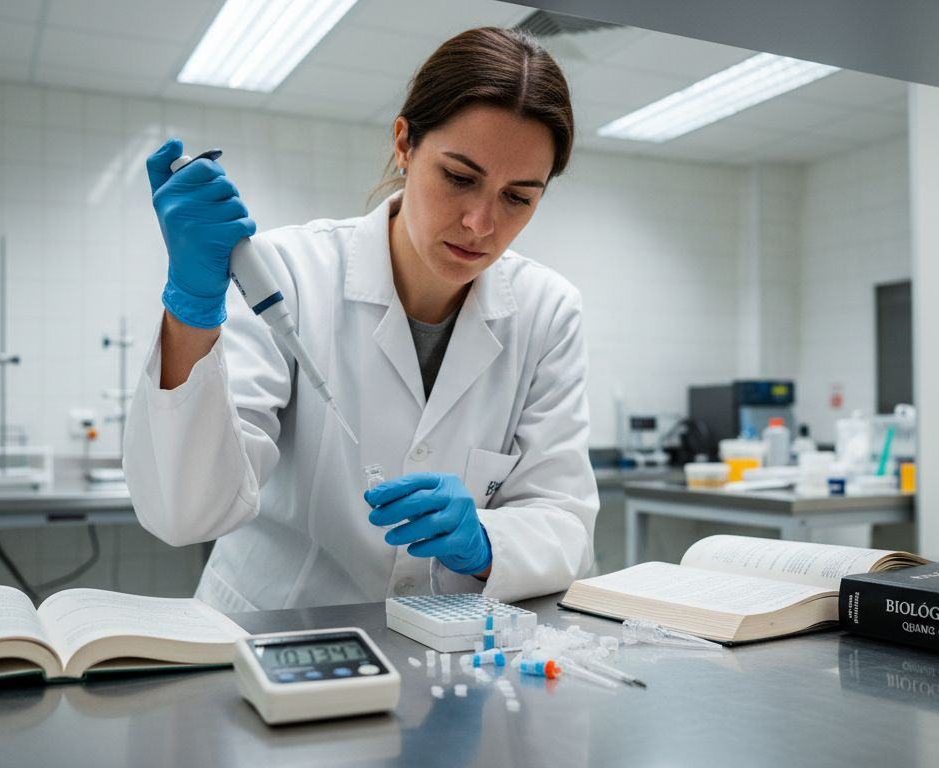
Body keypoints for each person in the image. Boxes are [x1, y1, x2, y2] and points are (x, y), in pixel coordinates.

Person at [124, 27, 598, 613]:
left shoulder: (548, 311)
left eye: (518, 197)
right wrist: (190, 310)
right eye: (458, 177)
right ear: (405, 143)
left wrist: (486, 542)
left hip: (444, 652)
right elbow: (185, 511)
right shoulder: (288, 275)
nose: (481, 222)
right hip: (274, 638)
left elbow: (565, 522)